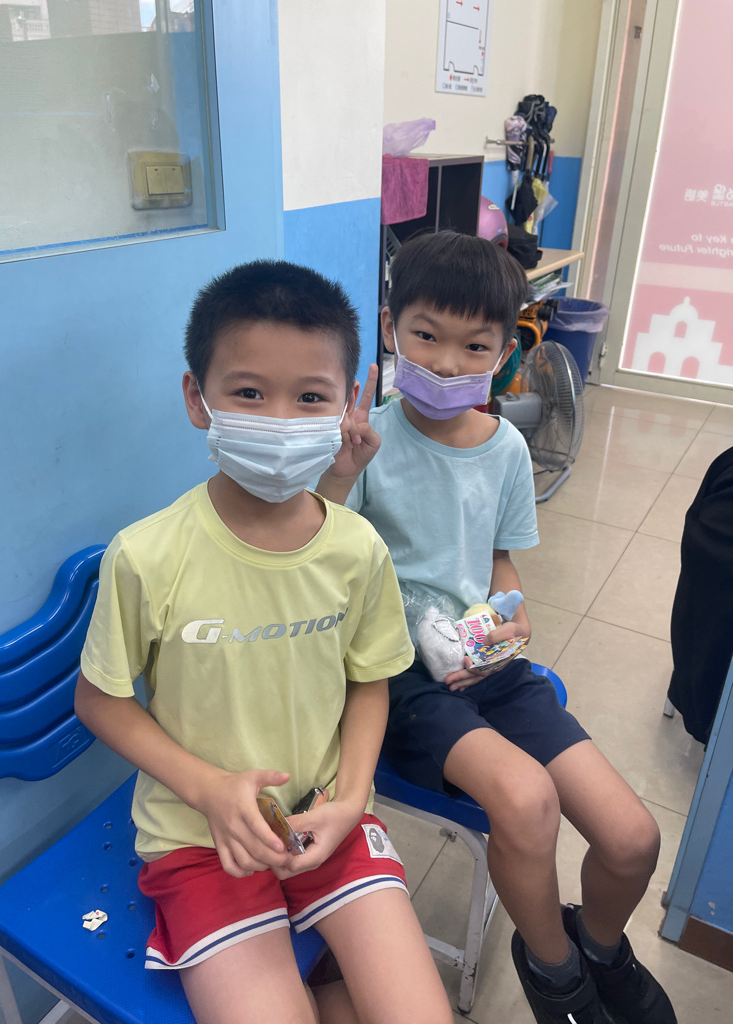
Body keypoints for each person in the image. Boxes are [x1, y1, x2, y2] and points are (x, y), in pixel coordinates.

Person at [74, 260, 453, 1024]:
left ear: (347, 404)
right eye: (249, 392)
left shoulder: (357, 548)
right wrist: (208, 789)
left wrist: (352, 798)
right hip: (197, 838)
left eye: (309, 397)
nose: (280, 421)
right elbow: (100, 700)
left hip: (328, 817)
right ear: (197, 398)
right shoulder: (146, 555)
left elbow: (369, 680)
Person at [317, 232, 677, 1024]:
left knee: (632, 838)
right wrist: (339, 477)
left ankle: (602, 951)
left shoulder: (508, 449)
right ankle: (555, 977)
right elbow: (319, 557)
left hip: (488, 664)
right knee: (526, 798)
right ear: (391, 329)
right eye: (426, 336)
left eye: (473, 346)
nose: (447, 364)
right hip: (399, 679)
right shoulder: (368, 444)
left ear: (504, 351)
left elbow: (500, 567)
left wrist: (510, 621)